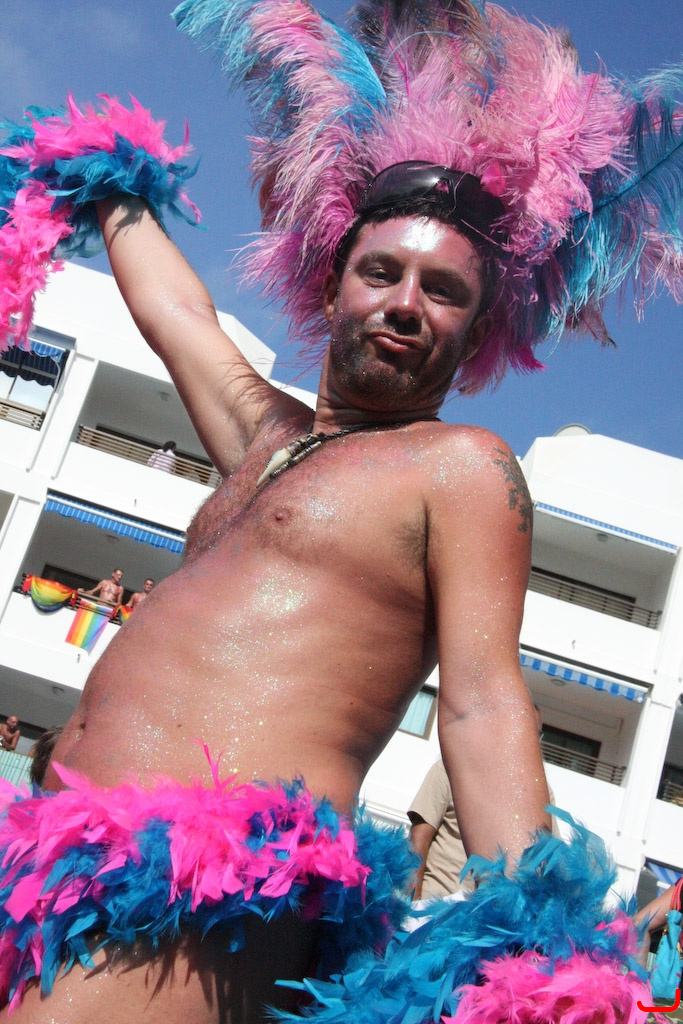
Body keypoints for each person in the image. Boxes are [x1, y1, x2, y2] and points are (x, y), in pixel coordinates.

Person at [0, 2, 679, 1021]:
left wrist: (538, 951)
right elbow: (176, 314)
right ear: (332, 291)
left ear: (473, 335)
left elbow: (481, 702)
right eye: (381, 272)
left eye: (443, 291)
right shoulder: (265, 439)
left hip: (203, 903)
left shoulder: (459, 468)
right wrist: (109, 173)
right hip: (49, 856)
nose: (405, 302)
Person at [409, 709, 559, 902]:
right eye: (522, 730)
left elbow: (551, 858)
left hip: (490, 916)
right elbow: (419, 837)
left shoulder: (540, 790)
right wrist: (412, 906)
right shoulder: (452, 767)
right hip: (435, 907)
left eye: (534, 734)